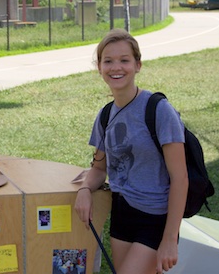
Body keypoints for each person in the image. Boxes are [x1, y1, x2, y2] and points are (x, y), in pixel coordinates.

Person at [74, 29, 188, 274]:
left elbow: (180, 178)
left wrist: (170, 238)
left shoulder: (158, 110)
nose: (117, 67)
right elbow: (98, 168)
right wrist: (85, 188)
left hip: (154, 216)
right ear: (99, 67)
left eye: (124, 60)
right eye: (108, 61)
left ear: (138, 65)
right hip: (122, 214)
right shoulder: (105, 116)